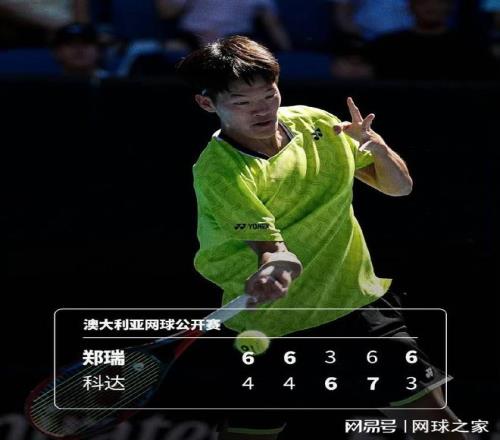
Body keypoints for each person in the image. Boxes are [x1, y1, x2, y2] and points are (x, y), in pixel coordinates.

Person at [176, 36, 468, 440]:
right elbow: (272, 249)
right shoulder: (219, 172)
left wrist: (379, 150)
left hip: (350, 301)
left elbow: (400, 188)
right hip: (268, 324)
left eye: (269, 94)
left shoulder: (316, 123)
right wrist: (273, 271)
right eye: (242, 102)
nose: (262, 110)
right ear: (207, 104)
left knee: (438, 428)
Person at [366, 0, 496, 80]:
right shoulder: (386, 46)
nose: (431, 6)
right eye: (423, 2)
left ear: (450, 6)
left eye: (439, 1)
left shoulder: (471, 47)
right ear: (410, 6)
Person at [156, 0, 291, 51]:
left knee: (254, 52)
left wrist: (287, 52)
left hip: (237, 39)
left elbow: (273, 24)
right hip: (192, 36)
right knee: (173, 48)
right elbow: (166, 13)